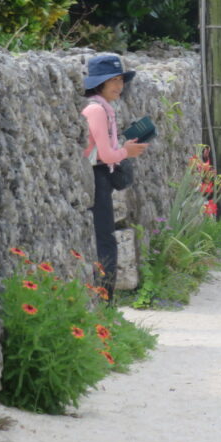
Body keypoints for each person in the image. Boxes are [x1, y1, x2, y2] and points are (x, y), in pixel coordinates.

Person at [81, 53, 148, 301]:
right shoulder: (97, 110)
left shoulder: (103, 108)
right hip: (98, 176)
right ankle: (105, 301)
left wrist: (125, 149)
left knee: (105, 238)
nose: (119, 86)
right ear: (100, 83)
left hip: (100, 175)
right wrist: (126, 151)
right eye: (113, 80)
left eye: (121, 79)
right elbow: (107, 155)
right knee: (105, 240)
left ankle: (105, 298)